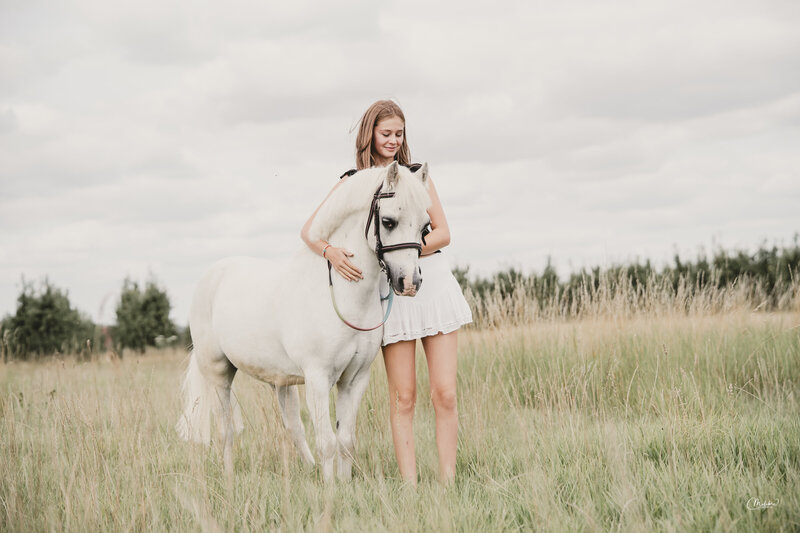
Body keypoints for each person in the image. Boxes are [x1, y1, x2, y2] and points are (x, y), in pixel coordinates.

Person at [301, 100, 472, 485]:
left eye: (399, 134)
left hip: (432, 285)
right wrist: (330, 252)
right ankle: (410, 488)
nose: (393, 141)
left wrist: (407, 248)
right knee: (403, 397)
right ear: (370, 135)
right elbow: (311, 230)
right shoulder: (352, 182)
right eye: (386, 134)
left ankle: (448, 483)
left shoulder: (416, 176)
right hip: (389, 295)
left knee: (444, 393)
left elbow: (443, 232)